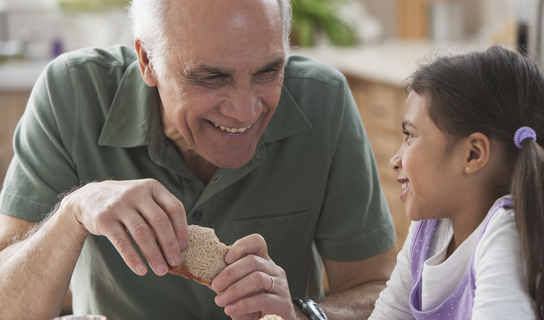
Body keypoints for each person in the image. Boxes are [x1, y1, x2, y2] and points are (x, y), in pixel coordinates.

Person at [0, 0, 398, 319]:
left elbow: (379, 292)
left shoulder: (324, 100)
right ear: (147, 62)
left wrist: (302, 313)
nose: (245, 111)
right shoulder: (70, 93)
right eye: (211, 78)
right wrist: (73, 211)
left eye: (268, 71)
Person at [369, 46, 544, 320]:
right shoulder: (429, 225)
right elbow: (391, 314)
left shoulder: (509, 237)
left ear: (473, 154)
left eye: (409, 135)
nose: (395, 159)